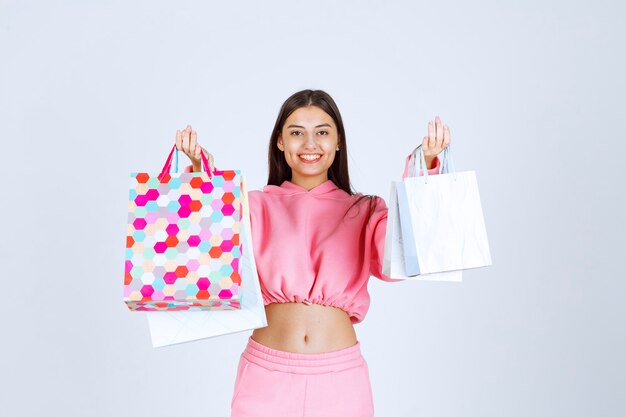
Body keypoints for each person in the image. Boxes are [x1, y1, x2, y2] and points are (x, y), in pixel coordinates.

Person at [177, 89, 450, 417]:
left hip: (339, 381)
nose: (310, 144)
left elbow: (409, 254)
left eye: (322, 132)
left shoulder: (365, 210)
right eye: (296, 133)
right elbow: (204, 246)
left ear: (338, 142)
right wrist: (197, 173)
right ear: (280, 141)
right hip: (265, 377)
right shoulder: (253, 205)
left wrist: (429, 168)